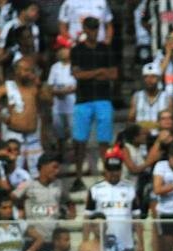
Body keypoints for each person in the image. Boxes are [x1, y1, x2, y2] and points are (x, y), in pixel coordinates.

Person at [70, 17, 118, 191]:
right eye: (91, 28)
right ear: (84, 29)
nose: (94, 31)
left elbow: (113, 74)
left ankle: (107, 174)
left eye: (96, 28)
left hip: (103, 98)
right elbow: (77, 75)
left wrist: (88, 74)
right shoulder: (77, 50)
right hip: (83, 100)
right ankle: (78, 177)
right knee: (79, 140)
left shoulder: (106, 49)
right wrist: (99, 72)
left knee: (104, 139)